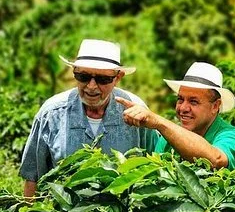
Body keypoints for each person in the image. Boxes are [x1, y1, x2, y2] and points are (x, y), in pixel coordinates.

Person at [20, 39, 158, 197]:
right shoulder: (51, 113)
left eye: (102, 79)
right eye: (83, 77)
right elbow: (33, 177)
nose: (91, 86)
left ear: (118, 78)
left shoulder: (136, 110)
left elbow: (152, 165)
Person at [116, 62, 235, 170]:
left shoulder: (230, 136)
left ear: (215, 106)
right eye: (180, 99)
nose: (183, 108)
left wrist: (159, 122)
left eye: (193, 101)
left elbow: (216, 160)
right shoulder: (167, 140)